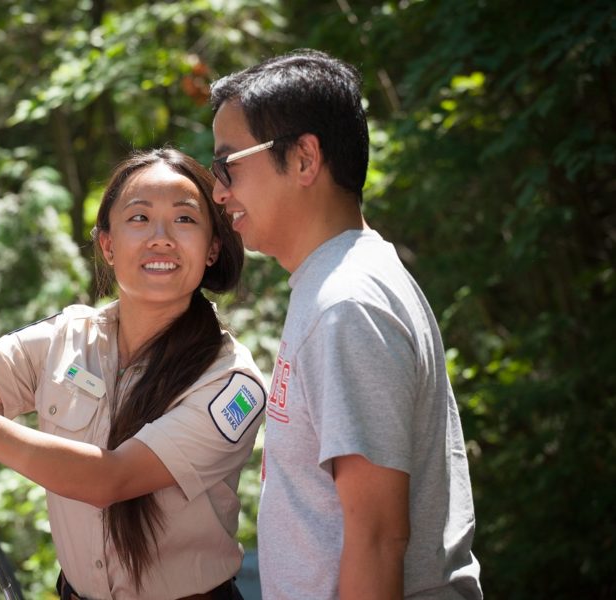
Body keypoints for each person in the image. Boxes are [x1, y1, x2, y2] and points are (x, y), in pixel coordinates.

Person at [0, 148, 265, 600]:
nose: (160, 237)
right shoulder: (69, 336)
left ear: (213, 247)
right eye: (138, 218)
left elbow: (111, 480)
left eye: (184, 220)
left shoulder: (230, 382)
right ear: (107, 244)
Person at [208, 49, 482, 599]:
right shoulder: (336, 282)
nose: (218, 192)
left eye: (228, 165)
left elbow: (378, 537)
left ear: (305, 159)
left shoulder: (345, 304)